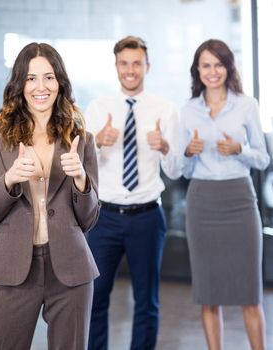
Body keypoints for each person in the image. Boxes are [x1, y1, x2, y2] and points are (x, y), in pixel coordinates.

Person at [0, 42, 100, 349]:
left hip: (70, 270)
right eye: (31, 78)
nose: (40, 87)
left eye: (49, 77)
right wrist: (10, 179)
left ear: (60, 83)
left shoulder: (81, 139)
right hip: (13, 268)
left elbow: (90, 219)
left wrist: (81, 180)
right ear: (19, 83)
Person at [85, 36, 182, 350]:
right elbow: (82, 167)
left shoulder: (165, 110)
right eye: (124, 63)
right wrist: (98, 142)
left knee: (147, 301)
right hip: (104, 218)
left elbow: (177, 169)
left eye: (136, 63)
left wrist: (164, 147)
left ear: (147, 66)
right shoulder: (98, 108)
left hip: (146, 217)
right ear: (116, 67)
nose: (130, 70)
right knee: (95, 298)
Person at [180, 39, 269, 350]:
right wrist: (188, 153)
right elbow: (182, 170)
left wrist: (239, 149)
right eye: (206, 65)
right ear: (198, 70)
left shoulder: (247, 105)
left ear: (229, 67)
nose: (213, 71)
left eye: (219, 64)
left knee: (250, 294)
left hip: (239, 200)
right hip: (202, 202)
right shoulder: (188, 110)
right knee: (208, 295)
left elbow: (262, 158)